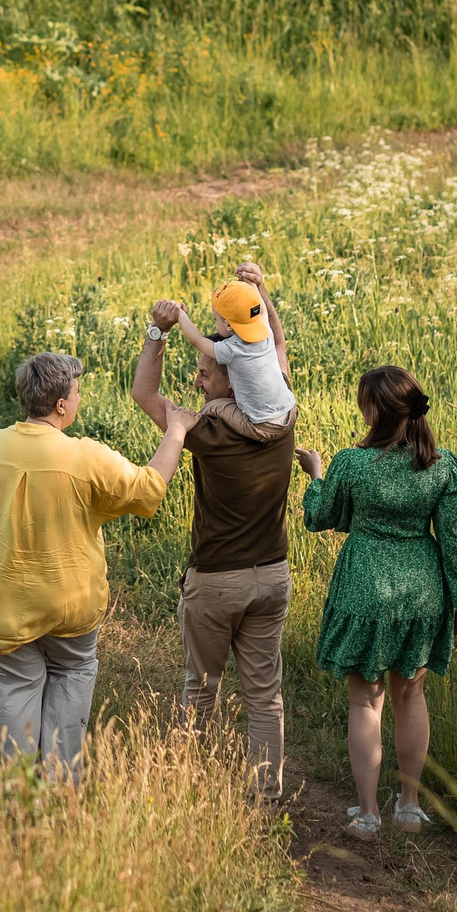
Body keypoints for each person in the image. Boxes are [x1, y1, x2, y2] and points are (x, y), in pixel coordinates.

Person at [0, 350, 189, 778]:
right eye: (77, 392)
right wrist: (177, 431)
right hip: (70, 607)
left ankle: (19, 799)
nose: (78, 399)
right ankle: (60, 795)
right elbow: (148, 490)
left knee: (12, 689)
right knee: (72, 676)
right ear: (61, 405)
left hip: (1, 609)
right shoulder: (85, 457)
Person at [133, 262, 301, 798]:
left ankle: (190, 785)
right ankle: (266, 798)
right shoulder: (283, 419)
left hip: (215, 581)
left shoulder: (202, 429)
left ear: (230, 376)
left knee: (201, 689)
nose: (199, 377)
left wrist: (159, 333)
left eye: (207, 370)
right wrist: (259, 293)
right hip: (272, 576)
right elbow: (273, 353)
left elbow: (145, 395)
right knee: (264, 696)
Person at [297, 364, 457, 838]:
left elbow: (320, 517)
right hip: (423, 592)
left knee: (366, 703)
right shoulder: (443, 467)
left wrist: (315, 474)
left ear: (375, 410)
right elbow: (456, 541)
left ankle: (367, 813)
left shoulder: (352, 463)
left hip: (365, 588)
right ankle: (409, 807)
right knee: (410, 695)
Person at [153, 262, 295, 448]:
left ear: (228, 325)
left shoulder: (232, 350)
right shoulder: (266, 332)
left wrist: (180, 316)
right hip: (289, 412)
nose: (215, 323)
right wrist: (252, 284)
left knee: (213, 407)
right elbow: (260, 306)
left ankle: (188, 424)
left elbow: (197, 340)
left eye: (216, 319)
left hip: (262, 427)